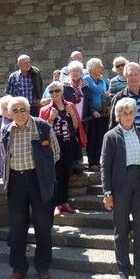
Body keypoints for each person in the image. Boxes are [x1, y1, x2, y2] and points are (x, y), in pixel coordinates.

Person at [0, 97, 59, 279]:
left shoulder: (42, 127)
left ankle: (43, 266)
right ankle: (18, 268)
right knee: (17, 227)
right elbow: (4, 157)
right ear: (10, 114)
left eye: (22, 109)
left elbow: (56, 153)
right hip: (16, 181)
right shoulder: (7, 131)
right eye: (15, 110)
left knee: (43, 225)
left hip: (38, 180)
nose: (19, 113)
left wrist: (45, 172)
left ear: (28, 109)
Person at [101, 98, 140, 279]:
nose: (128, 116)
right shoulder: (111, 136)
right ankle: (123, 272)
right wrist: (107, 192)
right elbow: (105, 166)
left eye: (131, 113)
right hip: (120, 186)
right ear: (118, 116)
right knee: (121, 231)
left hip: (139, 185)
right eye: (124, 113)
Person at [40, 81, 85, 216]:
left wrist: (72, 114)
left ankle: (64, 202)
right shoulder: (45, 109)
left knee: (66, 173)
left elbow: (76, 127)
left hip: (69, 143)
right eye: (51, 91)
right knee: (57, 174)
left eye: (57, 91)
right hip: (54, 145)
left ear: (62, 92)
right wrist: (51, 118)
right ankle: (57, 204)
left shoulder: (70, 106)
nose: (54, 93)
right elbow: (42, 131)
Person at [108, 62, 140, 149]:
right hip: (125, 144)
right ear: (125, 77)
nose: (133, 77)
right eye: (130, 75)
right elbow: (113, 124)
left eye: (136, 74)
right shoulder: (119, 98)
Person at [84, 58, 110, 171]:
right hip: (91, 114)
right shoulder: (87, 79)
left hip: (101, 114)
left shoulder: (101, 81)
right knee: (92, 138)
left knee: (100, 137)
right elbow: (97, 91)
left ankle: (98, 162)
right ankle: (92, 163)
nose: (101, 69)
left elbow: (105, 94)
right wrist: (103, 84)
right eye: (99, 67)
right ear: (92, 68)